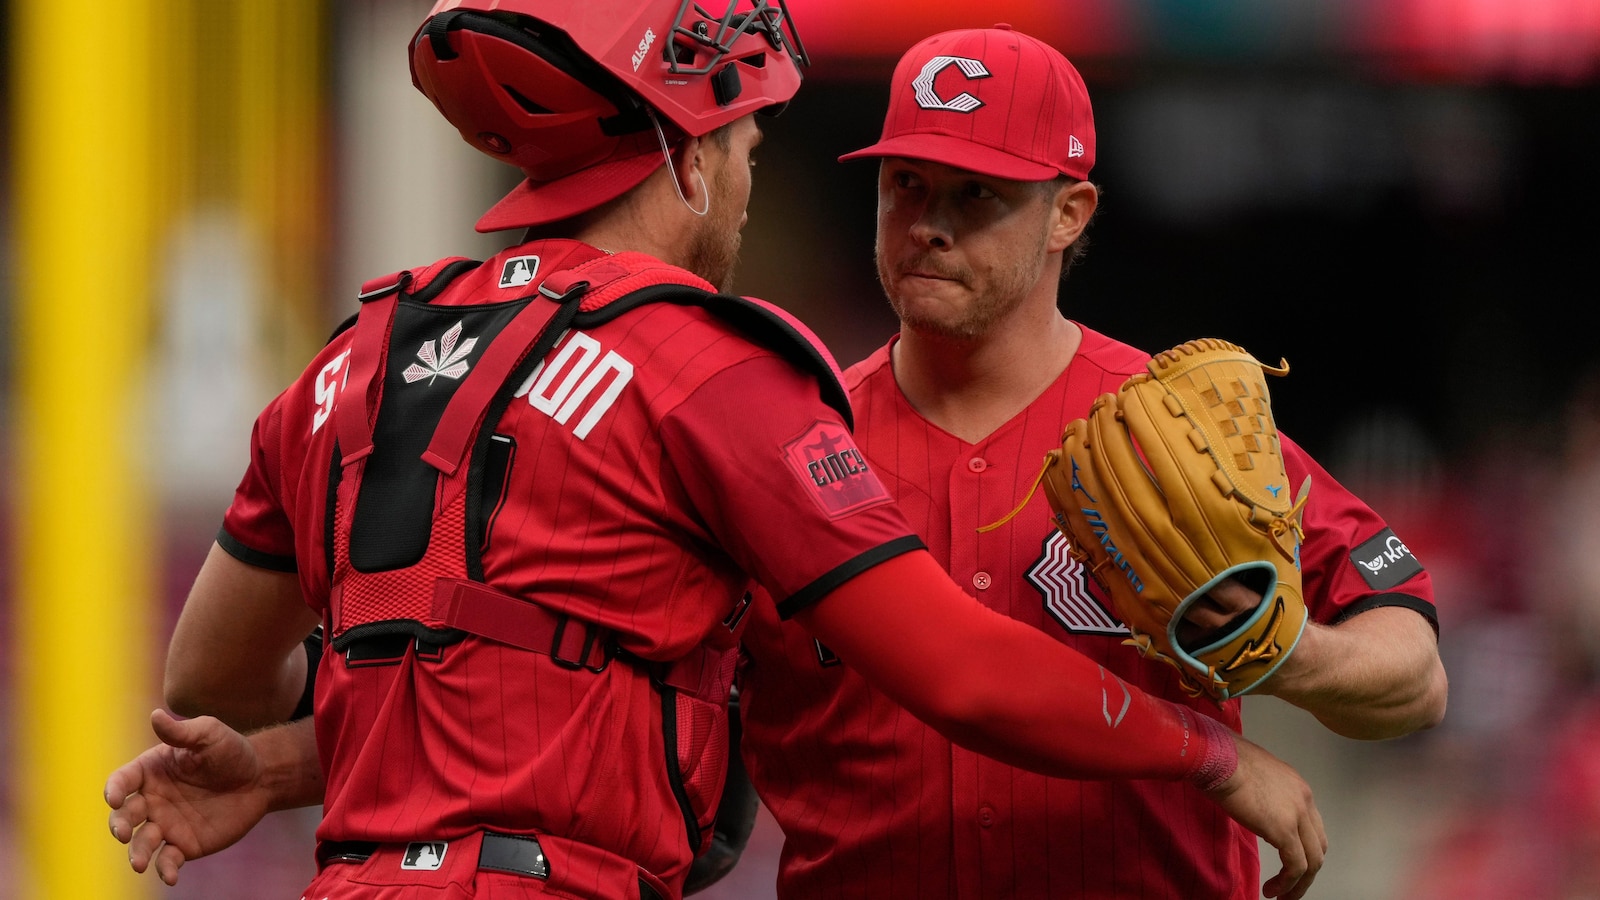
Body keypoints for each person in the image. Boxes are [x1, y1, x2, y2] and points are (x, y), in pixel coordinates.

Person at [105, 5, 1328, 900]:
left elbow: (209, 678)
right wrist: (1210, 755)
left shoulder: (347, 358)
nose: (745, 188)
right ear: (689, 161)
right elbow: (954, 671)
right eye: (744, 154)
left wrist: (277, 762)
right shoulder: (706, 363)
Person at [734, 23, 1449, 900]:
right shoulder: (801, 444)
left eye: (977, 196)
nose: (929, 227)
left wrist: (1278, 653)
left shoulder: (1179, 431)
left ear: (1069, 215)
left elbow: (1414, 670)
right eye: (907, 186)